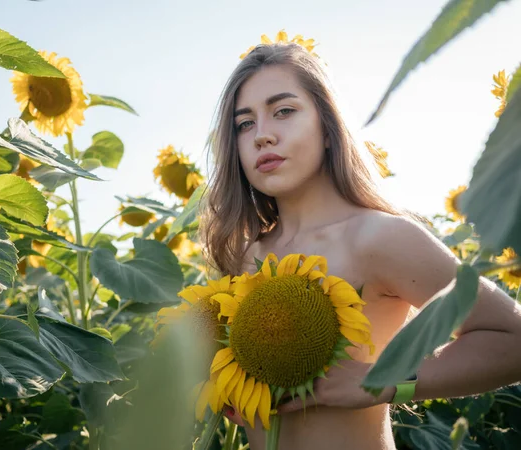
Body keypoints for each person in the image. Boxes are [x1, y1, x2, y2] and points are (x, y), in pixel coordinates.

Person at [199, 42, 521, 450]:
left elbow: (513, 338)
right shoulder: (245, 256)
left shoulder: (379, 237)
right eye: (244, 124)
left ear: (328, 129)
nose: (262, 135)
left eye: (284, 111)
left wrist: (383, 381)